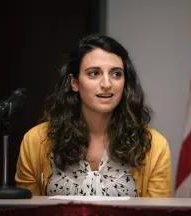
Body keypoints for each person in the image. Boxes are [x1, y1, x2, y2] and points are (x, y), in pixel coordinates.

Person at [15, 34, 171, 197]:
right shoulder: (35, 141)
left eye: (116, 74)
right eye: (94, 73)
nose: (106, 84)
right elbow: (27, 209)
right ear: (75, 82)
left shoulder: (155, 146)